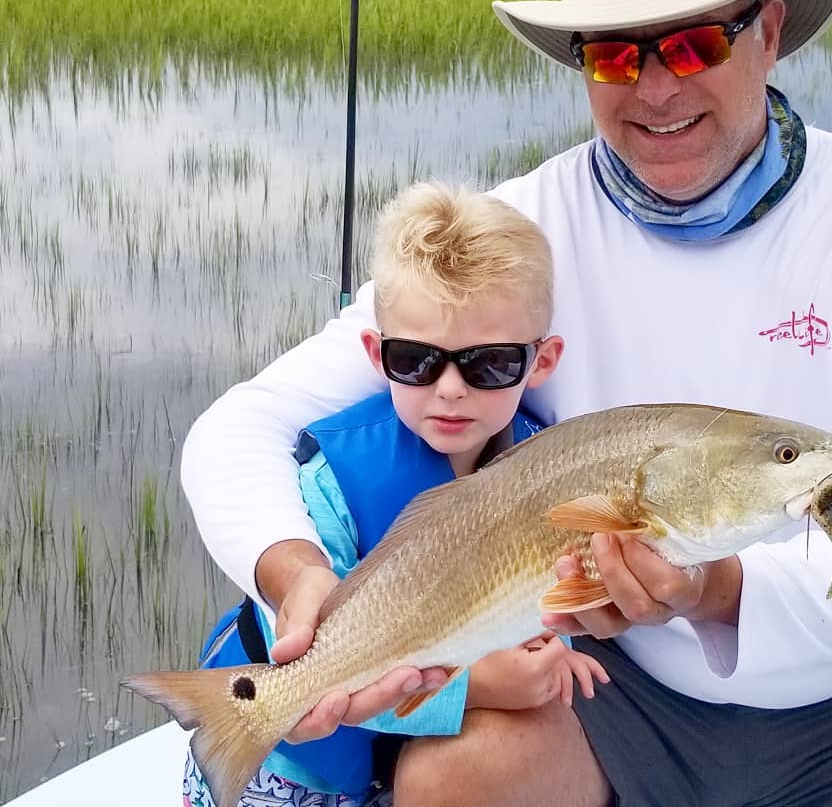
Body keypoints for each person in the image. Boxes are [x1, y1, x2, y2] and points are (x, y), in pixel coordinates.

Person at [182, 0, 832, 806]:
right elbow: (238, 430)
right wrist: (300, 579)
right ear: (581, 64)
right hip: (615, 680)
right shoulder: (514, 237)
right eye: (614, 57)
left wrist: (711, 589)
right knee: (456, 779)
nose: (656, 89)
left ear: (769, 33)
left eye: (695, 43)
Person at [182, 182, 606, 806]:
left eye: (489, 365)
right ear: (377, 356)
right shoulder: (328, 482)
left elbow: (536, 595)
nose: (452, 389)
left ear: (541, 363)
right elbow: (331, 668)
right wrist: (480, 688)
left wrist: (554, 651)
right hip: (291, 772)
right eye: (417, 360)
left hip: (408, 769)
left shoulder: (549, 471)